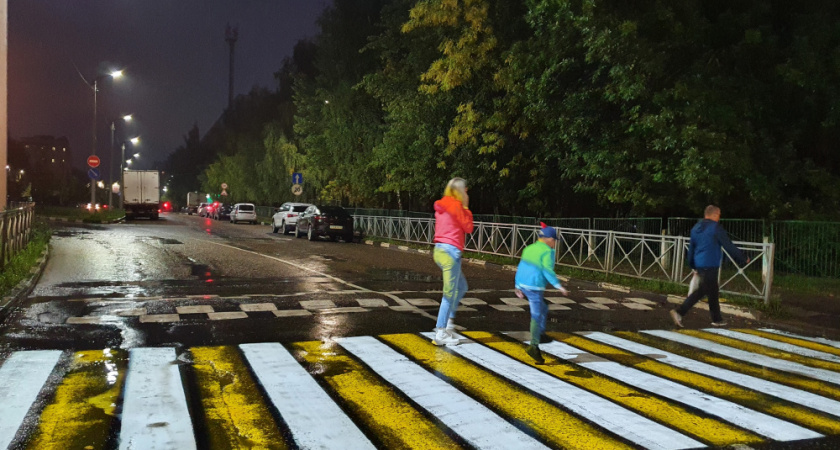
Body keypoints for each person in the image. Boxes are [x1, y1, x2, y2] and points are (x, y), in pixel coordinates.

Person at [670, 205, 749, 328]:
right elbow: (728, 245)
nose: (719, 217)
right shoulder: (716, 228)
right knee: (702, 291)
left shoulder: (696, 228)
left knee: (712, 292)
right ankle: (679, 311)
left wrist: (692, 264)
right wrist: (743, 258)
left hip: (700, 264)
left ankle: (717, 319)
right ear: (715, 214)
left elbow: (691, 249)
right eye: (719, 215)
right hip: (710, 264)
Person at [515, 223, 570, 364]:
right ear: (550, 239)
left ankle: (541, 333)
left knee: (544, 305)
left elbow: (521, 266)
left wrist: (517, 285)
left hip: (524, 284)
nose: (555, 244)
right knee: (536, 314)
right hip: (534, 286)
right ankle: (534, 346)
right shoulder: (548, 252)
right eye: (555, 241)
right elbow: (547, 270)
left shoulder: (529, 248)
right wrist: (559, 286)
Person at [431, 177, 474, 346]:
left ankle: (448, 325)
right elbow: (468, 227)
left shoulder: (442, 205)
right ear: (459, 191)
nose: (466, 193)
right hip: (451, 253)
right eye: (465, 190)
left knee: (461, 287)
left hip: (439, 251)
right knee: (448, 294)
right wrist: (466, 208)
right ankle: (441, 332)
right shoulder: (457, 206)